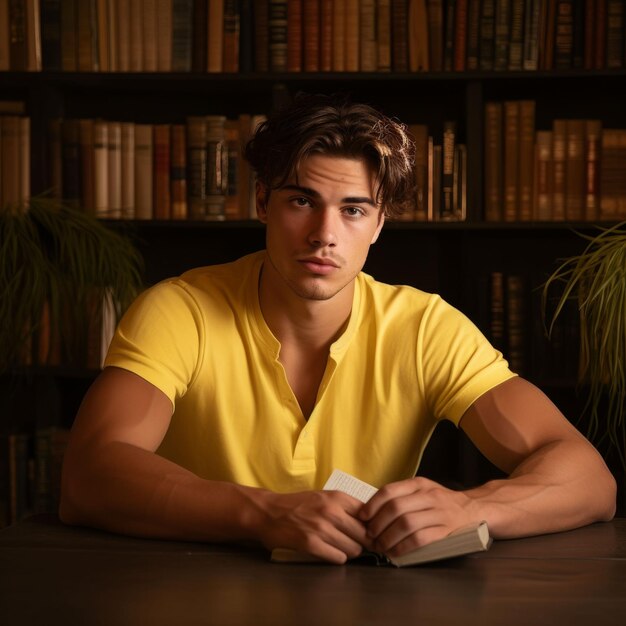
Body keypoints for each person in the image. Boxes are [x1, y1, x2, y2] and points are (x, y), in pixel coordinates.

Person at [60, 93, 616, 565]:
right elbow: (89, 474)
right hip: (188, 593)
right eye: (302, 200)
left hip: (366, 604)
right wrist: (264, 513)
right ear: (262, 203)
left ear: (379, 223)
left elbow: (589, 479)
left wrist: (475, 508)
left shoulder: (425, 327)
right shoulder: (180, 311)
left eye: (352, 210)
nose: (324, 233)